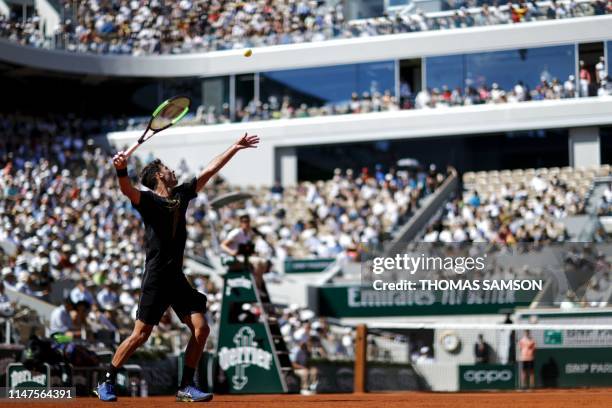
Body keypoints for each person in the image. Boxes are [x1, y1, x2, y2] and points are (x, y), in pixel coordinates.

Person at [96, 132, 259, 402]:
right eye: (167, 169)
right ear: (159, 176)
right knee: (140, 335)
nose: (172, 171)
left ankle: (186, 386)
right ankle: (107, 380)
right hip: (157, 277)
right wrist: (121, 168)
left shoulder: (182, 195)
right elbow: (126, 189)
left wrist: (235, 147)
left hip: (176, 277)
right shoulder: (148, 201)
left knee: (201, 328)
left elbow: (210, 169)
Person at [220, 213, 269, 287]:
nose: (246, 223)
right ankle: (256, 286)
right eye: (244, 221)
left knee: (264, 262)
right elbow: (223, 245)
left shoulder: (247, 234)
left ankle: (258, 284)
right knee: (258, 262)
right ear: (240, 223)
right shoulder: (236, 232)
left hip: (244, 257)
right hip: (235, 258)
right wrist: (231, 252)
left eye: (248, 221)